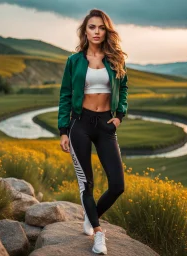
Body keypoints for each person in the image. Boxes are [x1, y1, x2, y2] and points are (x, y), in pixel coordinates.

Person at [58, 8, 128, 255]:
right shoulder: (74, 61)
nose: (96, 32)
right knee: (86, 183)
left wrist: (119, 116)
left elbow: (124, 88)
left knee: (118, 185)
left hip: (106, 126)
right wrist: (63, 130)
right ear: (85, 31)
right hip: (80, 125)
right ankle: (98, 234)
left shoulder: (115, 59)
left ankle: (92, 214)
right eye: (91, 27)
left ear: (106, 31)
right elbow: (65, 94)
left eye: (101, 27)